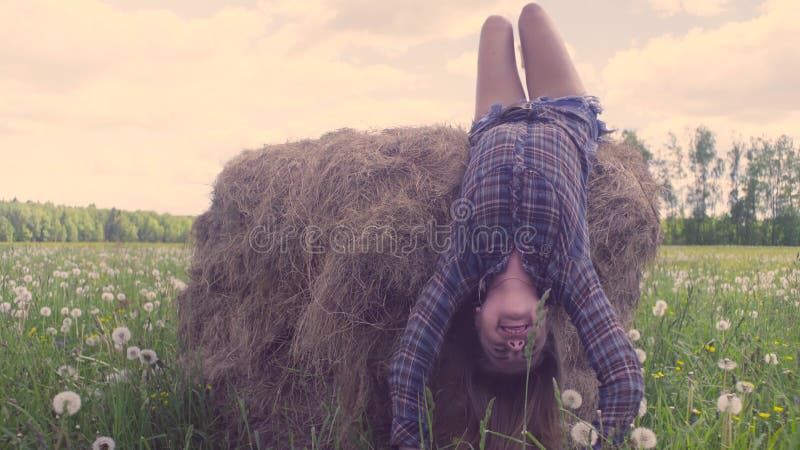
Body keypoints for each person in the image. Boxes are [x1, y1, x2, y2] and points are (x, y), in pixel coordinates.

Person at [388, 3, 644, 449]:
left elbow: (407, 368)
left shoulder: (462, 265)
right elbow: (623, 378)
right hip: (566, 117)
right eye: (526, 353)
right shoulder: (569, 271)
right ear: (546, 332)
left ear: (476, 319)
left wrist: (411, 439)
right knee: (532, 15)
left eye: (496, 352)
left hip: (495, 121)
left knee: (495, 27)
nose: (513, 345)